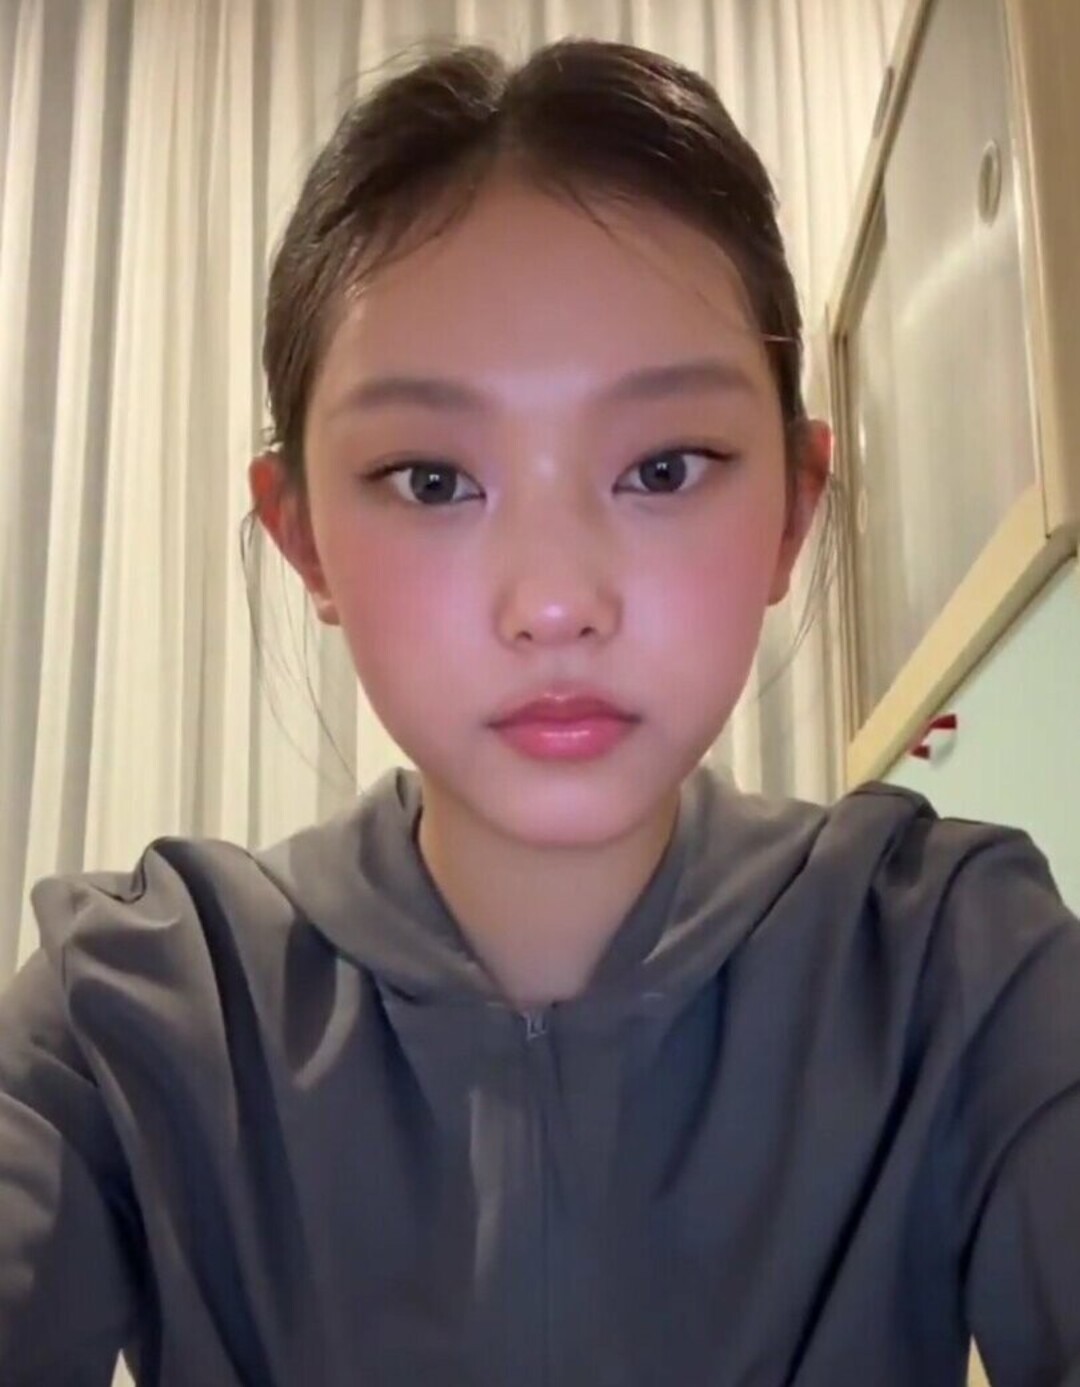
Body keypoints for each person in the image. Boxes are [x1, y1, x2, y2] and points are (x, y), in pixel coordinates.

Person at [1, 36, 1078, 1387]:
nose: (556, 601)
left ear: (794, 509)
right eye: (432, 480)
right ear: (306, 538)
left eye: (666, 467)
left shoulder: (950, 962)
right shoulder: (136, 1007)